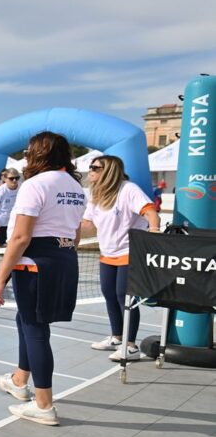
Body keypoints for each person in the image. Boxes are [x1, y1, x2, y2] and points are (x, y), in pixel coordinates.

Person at [0, 131, 86, 426]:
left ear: (37, 153)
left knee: (35, 329)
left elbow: (19, 237)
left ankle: (44, 405)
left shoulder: (34, 185)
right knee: (27, 321)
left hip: (35, 264)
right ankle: (20, 380)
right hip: (65, 260)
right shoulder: (76, 187)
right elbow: (76, 234)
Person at [81, 155, 160, 362]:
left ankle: (131, 345)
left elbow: (151, 212)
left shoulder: (128, 189)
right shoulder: (96, 194)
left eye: (95, 167)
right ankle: (117, 337)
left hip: (130, 251)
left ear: (108, 171)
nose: (90, 171)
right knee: (109, 293)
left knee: (124, 297)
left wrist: (154, 234)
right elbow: (88, 225)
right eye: (90, 167)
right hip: (108, 252)